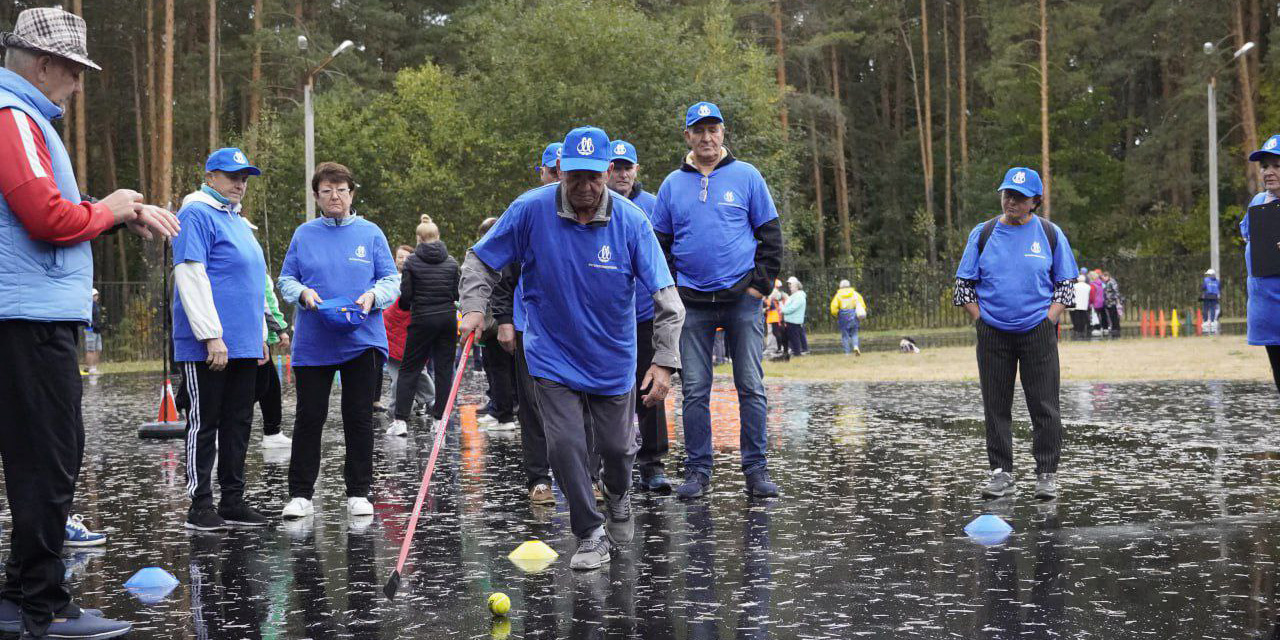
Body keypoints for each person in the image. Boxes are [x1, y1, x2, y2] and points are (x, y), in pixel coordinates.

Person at [0, 16, 177, 635]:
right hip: (26, 321)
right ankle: (39, 608)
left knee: (44, 457)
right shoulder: (12, 117)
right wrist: (108, 208)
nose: (77, 86)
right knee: (48, 460)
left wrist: (115, 214)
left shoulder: (21, 119)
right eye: (73, 72)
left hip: (29, 315)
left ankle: (25, 596)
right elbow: (45, 217)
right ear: (43, 64)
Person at [458, 126, 684, 570]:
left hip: (612, 356)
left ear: (607, 173)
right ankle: (590, 532)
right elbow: (480, 260)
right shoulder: (529, 210)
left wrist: (664, 361)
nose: (585, 187)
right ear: (559, 170)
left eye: (594, 177)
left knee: (619, 449)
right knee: (564, 444)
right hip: (551, 354)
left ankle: (618, 497)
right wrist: (474, 308)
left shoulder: (632, 221)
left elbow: (668, 301)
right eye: (575, 176)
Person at [651, 101, 783, 499]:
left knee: (750, 385)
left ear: (723, 133)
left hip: (742, 298)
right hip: (691, 302)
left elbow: (771, 235)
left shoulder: (747, 176)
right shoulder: (672, 184)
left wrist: (759, 286)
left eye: (714, 129)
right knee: (694, 389)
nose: (707, 137)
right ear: (687, 135)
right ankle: (697, 472)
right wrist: (671, 291)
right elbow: (660, 245)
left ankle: (756, 470)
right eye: (699, 130)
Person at [277, 162, 399, 519]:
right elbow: (286, 279)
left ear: (352, 194)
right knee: (309, 416)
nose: (335, 196)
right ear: (317, 196)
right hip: (314, 340)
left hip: (362, 338)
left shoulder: (371, 233)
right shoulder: (304, 234)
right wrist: (302, 294)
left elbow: (391, 279)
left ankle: (359, 492)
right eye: (327, 189)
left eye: (341, 189)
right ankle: (301, 494)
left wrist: (374, 296)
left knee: (358, 416)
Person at [953, 167, 1077, 501]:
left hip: (1037, 333)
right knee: (996, 406)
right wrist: (981, 320)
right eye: (1007, 194)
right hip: (994, 335)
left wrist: (1048, 320)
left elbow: (1066, 284)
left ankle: (1046, 475)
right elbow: (963, 285)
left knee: (1045, 406)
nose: (1011, 201)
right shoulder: (984, 232)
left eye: (1020, 197)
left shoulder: (1050, 234)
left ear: (1035, 201)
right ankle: (1001, 474)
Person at [171, 147, 270, 532]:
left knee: (238, 422)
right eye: (232, 176)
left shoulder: (238, 221)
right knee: (205, 421)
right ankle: (200, 505)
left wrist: (260, 333)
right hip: (209, 345)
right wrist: (211, 336)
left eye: (244, 178)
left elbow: (253, 282)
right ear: (210, 176)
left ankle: (232, 500)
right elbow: (191, 273)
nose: (239, 184)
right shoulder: (196, 212)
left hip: (244, 344)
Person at [490, 142, 564, 506]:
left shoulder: (585, 210)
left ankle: (588, 475)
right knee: (533, 405)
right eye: (552, 172)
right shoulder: (527, 211)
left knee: (583, 404)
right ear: (542, 172)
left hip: (573, 327)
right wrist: (503, 320)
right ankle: (539, 478)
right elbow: (504, 271)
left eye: (564, 172)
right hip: (530, 326)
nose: (558, 179)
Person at [607, 139, 671, 492]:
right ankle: (609, 461)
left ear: (637, 170)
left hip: (646, 313)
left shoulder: (652, 206)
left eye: (627, 167)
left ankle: (652, 462)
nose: (622, 173)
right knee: (607, 388)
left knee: (651, 385)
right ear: (606, 170)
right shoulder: (595, 205)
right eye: (616, 167)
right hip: (606, 317)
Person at [387, 215, 460, 436]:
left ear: (418, 239)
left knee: (409, 369)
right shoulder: (452, 263)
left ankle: (400, 421)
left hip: (421, 320)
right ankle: (440, 419)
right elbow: (456, 293)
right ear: (438, 237)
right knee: (444, 370)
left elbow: (406, 296)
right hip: (447, 319)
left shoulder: (412, 262)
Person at [1242, 134, 1280, 395]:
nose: (1269, 172)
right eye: (1265, 166)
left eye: (1277, 165)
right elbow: (1246, 234)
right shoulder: (1258, 202)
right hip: (1267, 311)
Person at [474, 218, 518, 432]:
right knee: (504, 369)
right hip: (505, 319)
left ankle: (504, 414)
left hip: (495, 323)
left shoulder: (495, 258)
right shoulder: (512, 253)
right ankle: (500, 409)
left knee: (498, 369)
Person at [382, 244, 433, 420]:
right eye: (400, 256)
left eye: (406, 257)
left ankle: (429, 401)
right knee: (399, 378)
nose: (403, 260)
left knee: (420, 373)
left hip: (411, 335)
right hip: (394, 335)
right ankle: (397, 411)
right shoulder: (388, 281)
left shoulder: (418, 279)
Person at [258, 274, 292, 449]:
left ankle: (272, 432)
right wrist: (279, 330)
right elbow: (264, 304)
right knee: (258, 387)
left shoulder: (261, 272)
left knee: (269, 386)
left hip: (261, 336)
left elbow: (268, 303)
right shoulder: (254, 271)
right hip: (254, 336)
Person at [829, 279, 866, 355]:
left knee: (845, 335)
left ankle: (847, 352)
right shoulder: (855, 294)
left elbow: (834, 308)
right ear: (849, 286)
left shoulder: (838, 295)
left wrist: (836, 314)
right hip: (853, 315)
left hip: (843, 316)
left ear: (840, 287)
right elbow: (862, 305)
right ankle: (855, 346)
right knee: (854, 333)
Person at [780, 276, 807, 357]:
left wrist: (783, 310)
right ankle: (794, 352)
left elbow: (793, 307)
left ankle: (797, 353)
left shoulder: (798, 296)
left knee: (795, 338)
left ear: (797, 287)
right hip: (791, 320)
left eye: (792, 286)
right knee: (791, 338)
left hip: (794, 320)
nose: (790, 288)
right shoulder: (795, 296)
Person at [83, 289, 102, 374]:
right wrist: (92, 325)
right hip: (90, 329)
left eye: (96, 295)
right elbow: (87, 318)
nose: (96, 297)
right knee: (91, 349)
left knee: (98, 349)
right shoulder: (88, 305)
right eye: (94, 295)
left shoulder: (96, 305)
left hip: (97, 330)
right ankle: (90, 368)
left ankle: (93, 367)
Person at [1201, 268, 1221, 334]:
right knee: (1213, 309)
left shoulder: (1206, 280)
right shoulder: (1217, 281)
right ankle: (1212, 322)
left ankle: (1205, 321)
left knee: (1205, 309)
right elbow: (1219, 288)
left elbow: (1203, 287)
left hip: (1207, 296)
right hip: (1214, 296)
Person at [1101, 271, 1121, 336]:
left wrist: (1113, 298)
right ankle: (1114, 327)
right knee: (1111, 315)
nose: (1103, 279)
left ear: (1107, 276)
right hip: (1108, 302)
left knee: (1114, 315)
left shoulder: (1112, 282)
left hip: (1112, 302)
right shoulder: (1107, 282)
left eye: (1103, 277)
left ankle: (1116, 328)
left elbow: (1116, 292)